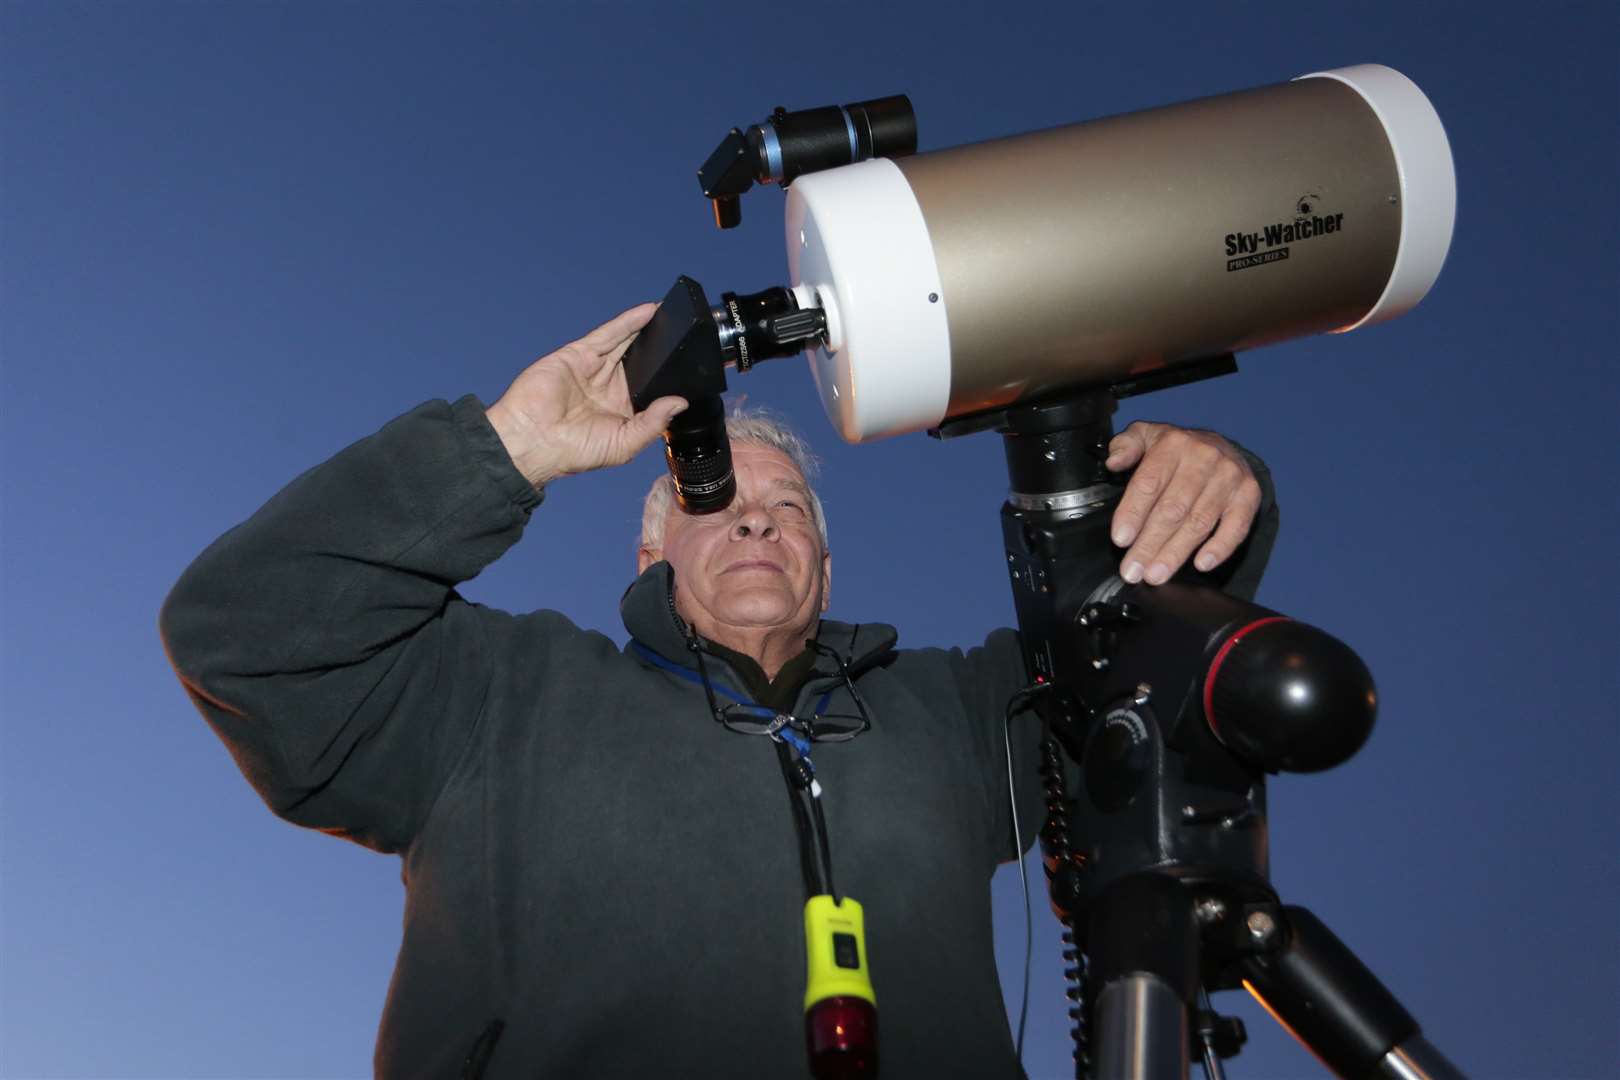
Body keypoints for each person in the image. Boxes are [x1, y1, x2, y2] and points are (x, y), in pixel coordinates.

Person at [161, 302, 1276, 1079]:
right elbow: (241, 628)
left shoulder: (955, 710)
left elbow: (1127, 665)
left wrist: (1212, 490)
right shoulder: (497, 695)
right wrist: (504, 448)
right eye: (716, 500)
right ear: (651, 561)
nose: (754, 517)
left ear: (825, 568)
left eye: (788, 509)